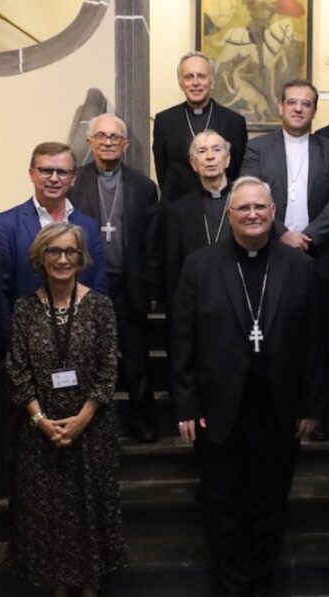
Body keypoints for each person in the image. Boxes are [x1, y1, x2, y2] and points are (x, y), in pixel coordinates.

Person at [171, 176, 328, 596]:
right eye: (244, 208)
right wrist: (186, 404)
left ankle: (259, 586)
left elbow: (315, 343)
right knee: (222, 509)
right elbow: (182, 340)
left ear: (274, 213)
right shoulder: (200, 265)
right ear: (230, 215)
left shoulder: (301, 267)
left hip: (279, 412)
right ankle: (231, 588)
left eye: (261, 207)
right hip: (218, 413)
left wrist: (312, 406)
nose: (253, 214)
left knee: (268, 509)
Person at [5, 222, 127, 595]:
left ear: (81, 257)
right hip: (41, 435)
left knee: (88, 514)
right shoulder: (25, 308)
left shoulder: (100, 306)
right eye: (54, 251)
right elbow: (17, 368)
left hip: (92, 432)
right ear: (41, 258)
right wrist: (42, 421)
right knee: (51, 519)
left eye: (70, 251)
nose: (62, 259)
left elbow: (109, 369)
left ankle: (90, 587)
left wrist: (82, 419)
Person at [240, 79, 329, 440]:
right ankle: (274, 410)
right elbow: (249, 195)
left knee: (315, 339)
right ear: (280, 107)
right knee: (274, 335)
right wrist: (281, 232)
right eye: (292, 102)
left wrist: (309, 237)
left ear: (315, 110)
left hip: (319, 258)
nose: (299, 108)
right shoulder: (257, 149)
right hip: (270, 254)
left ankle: (314, 414)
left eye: (306, 103)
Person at [71, 114, 162, 443]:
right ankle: (87, 424)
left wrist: (150, 285)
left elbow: (153, 242)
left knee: (136, 358)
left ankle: (142, 420)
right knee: (84, 356)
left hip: (129, 284)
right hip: (85, 285)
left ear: (124, 145)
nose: (108, 142)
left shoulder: (143, 186)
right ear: (89, 142)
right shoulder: (73, 183)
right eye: (101, 136)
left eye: (115, 137)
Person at [0, 142, 107, 355]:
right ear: (32, 173)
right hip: (24, 347)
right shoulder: (5, 225)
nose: (54, 178)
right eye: (45, 170)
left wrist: (87, 339)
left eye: (62, 172)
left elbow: (98, 288)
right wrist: (15, 343)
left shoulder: (88, 226)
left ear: (73, 178)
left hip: (79, 347)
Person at [153, 51, 248, 202]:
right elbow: (162, 171)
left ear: (212, 81)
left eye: (201, 76)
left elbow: (236, 169)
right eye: (189, 77)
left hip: (220, 205)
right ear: (181, 83)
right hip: (176, 207)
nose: (195, 82)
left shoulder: (234, 122)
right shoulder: (164, 121)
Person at [161, 130, 234, 318]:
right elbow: (173, 270)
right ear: (194, 164)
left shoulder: (245, 203)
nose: (209, 157)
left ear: (227, 160)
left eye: (216, 150)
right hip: (196, 303)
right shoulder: (179, 211)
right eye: (201, 151)